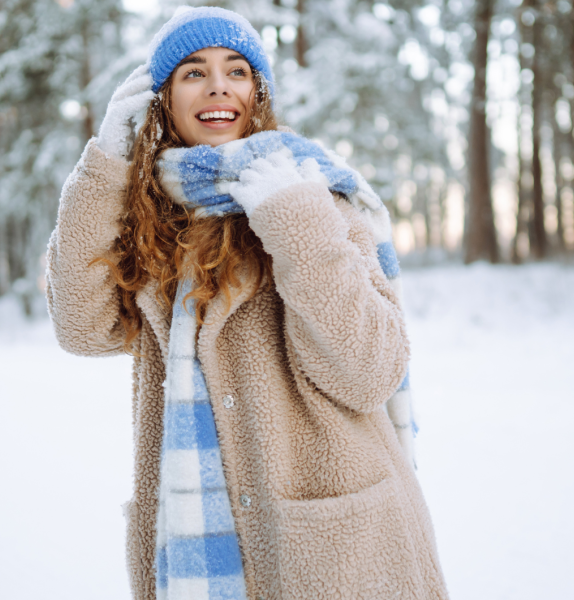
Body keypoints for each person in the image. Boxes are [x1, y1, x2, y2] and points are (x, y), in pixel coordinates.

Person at [45, 6, 448, 600]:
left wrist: (294, 219)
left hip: (337, 557)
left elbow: (369, 372)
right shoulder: (155, 220)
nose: (217, 86)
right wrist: (106, 167)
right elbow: (82, 327)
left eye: (237, 70)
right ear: (162, 101)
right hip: (202, 554)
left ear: (256, 93)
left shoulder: (318, 198)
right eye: (193, 72)